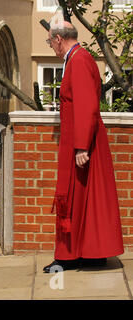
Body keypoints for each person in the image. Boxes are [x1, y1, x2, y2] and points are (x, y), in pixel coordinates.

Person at [43, 19, 124, 273]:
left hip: (81, 142)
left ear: (58, 39)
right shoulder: (80, 58)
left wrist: (81, 147)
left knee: (76, 195)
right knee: (87, 198)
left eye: (49, 42)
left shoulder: (77, 60)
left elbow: (87, 104)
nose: (51, 47)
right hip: (83, 139)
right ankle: (91, 255)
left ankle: (68, 257)